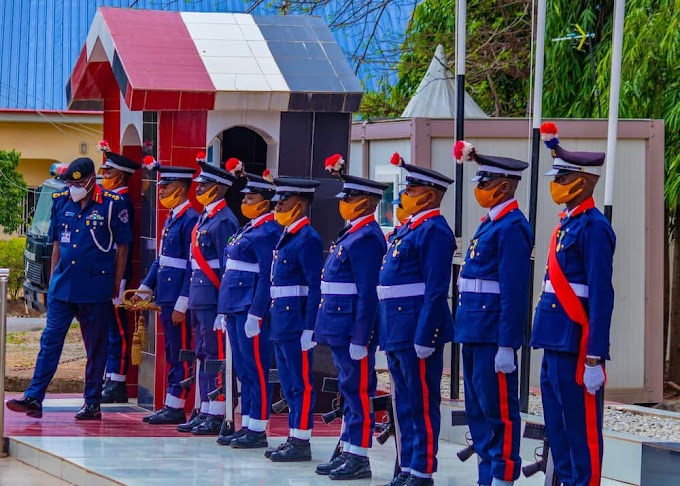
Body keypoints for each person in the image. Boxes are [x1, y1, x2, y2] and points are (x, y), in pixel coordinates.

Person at [6, 157, 132, 420]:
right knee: (50, 341)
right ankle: (34, 396)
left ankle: (92, 402)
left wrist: (115, 285)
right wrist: (53, 282)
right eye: (70, 184)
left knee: (95, 347)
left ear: (89, 181)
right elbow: (55, 245)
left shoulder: (111, 205)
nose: (73, 188)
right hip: (63, 287)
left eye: (78, 184)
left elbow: (122, 248)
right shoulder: (61, 200)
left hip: (95, 288)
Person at [531, 122, 615, 486]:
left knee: (582, 430)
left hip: (577, 343)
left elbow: (601, 295)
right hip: (554, 339)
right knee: (558, 425)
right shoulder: (567, 225)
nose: (556, 185)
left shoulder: (593, 227)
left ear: (582, 181)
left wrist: (595, 355)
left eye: (562, 177)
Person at [453, 141, 533, 486]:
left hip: (491, 335)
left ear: (504, 186)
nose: (479, 190)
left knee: (499, 411)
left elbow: (514, 292)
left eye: (484, 183)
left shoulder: (512, 226)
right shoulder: (490, 223)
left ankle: (501, 477)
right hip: (472, 330)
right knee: (478, 411)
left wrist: (506, 344)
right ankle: (487, 476)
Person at [378, 153, 455, 486]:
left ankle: (422, 470)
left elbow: (436, 290)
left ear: (429, 195)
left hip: (415, 332)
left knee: (422, 403)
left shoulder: (434, 232)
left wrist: (426, 335)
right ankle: (408, 465)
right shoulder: (410, 229)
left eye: (411, 189)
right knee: (405, 404)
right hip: (396, 330)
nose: (404, 195)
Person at [313, 156, 388, 480]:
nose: (343, 204)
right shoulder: (351, 234)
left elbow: (368, 292)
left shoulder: (368, 237)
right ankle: (347, 448)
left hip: (350, 328)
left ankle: (359, 455)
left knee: (357, 390)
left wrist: (361, 337)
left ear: (366, 203)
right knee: (347, 388)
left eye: (349, 199)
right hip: (337, 324)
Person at [216, 168, 282, 448]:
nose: (245, 202)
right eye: (244, 198)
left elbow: (267, 275)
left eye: (251, 197)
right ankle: (248, 424)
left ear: (265, 202)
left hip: (249, 309)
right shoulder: (250, 227)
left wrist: (257, 311)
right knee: (244, 371)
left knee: (255, 369)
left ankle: (258, 428)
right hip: (234, 306)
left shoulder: (268, 232)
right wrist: (223, 309)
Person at [176, 159, 239, 435]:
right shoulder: (206, 216)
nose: (199, 188)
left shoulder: (225, 221)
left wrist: (224, 307)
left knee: (215, 355)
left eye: (204, 184)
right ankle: (204, 407)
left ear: (217, 188)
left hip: (213, 298)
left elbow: (227, 269)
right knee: (202, 353)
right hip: (200, 297)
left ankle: (216, 411)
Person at [133, 166, 199, 424]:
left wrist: (183, 302)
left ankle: (176, 404)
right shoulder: (173, 217)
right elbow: (161, 260)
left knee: (181, 352)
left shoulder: (190, 218)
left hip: (177, 299)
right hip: (166, 296)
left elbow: (192, 265)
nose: (161, 191)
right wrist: (146, 287)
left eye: (166, 187)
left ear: (180, 190)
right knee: (172, 350)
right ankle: (172, 403)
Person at [264, 176, 323, 462]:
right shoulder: (287, 235)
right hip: (281, 320)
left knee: (300, 383)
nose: (278, 206)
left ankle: (301, 439)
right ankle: (293, 435)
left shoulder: (308, 239)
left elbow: (314, 286)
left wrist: (310, 327)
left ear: (298, 204)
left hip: (296, 321)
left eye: (282, 201)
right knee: (288, 383)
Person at [97, 148, 141, 404]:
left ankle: (118, 380)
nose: (105, 175)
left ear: (121, 176)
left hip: (117, 273)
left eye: (109, 172)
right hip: (106, 271)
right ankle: (109, 376)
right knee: (108, 328)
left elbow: (122, 243)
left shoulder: (120, 202)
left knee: (117, 331)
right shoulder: (110, 199)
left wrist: (119, 277)